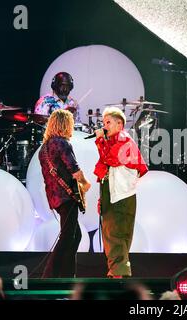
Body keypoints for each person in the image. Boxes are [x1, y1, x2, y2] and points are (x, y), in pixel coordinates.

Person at [93, 106, 148, 278]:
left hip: (121, 194)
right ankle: (119, 270)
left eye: (108, 122)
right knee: (116, 233)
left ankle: (119, 272)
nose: (105, 126)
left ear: (119, 124)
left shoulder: (123, 139)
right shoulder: (112, 142)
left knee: (115, 233)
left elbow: (111, 159)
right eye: (103, 122)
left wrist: (99, 141)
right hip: (115, 193)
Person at [39, 109, 91, 278]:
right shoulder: (62, 143)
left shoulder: (43, 148)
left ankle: (67, 274)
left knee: (75, 236)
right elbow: (74, 170)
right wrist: (85, 183)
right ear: (64, 124)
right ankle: (50, 276)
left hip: (54, 197)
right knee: (68, 236)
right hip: (67, 195)